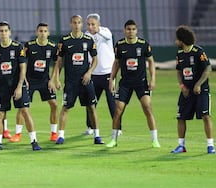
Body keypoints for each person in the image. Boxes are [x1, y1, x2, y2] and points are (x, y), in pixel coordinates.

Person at [106, 19, 160, 148]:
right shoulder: (119, 45)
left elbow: (151, 61)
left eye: (133, 29)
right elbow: (116, 63)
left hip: (141, 82)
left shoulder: (143, 44)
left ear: (136, 30)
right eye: (128, 29)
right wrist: (111, 79)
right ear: (124, 30)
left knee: (147, 108)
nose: (131, 31)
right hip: (125, 83)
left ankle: (155, 140)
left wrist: (153, 79)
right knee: (118, 111)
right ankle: (113, 139)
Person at [0, 21, 41, 151]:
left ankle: (34, 141)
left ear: (10, 32)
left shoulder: (18, 47)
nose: (4, 33)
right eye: (1, 31)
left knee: (25, 111)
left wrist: (19, 87)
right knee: (0, 114)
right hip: (2, 86)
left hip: (18, 85)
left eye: (6, 31)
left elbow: (23, 68)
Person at [51, 15, 99, 144]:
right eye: (74, 23)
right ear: (70, 24)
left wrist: (89, 72)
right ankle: (61, 136)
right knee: (65, 107)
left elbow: (95, 59)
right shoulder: (64, 41)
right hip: (71, 82)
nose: (76, 25)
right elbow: (59, 61)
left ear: (82, 24)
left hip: (85, 81)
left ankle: (97, 135)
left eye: (79, 23)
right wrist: (56, 78)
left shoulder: (88, 40)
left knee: (91, 107)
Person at [9, 23, 58, 143]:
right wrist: (24, 79)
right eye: (40, 31)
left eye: (45, 31)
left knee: (54, 104)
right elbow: (21, 62)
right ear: (37, 32)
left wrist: (53, 80)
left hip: (45, 81)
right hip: (29, 80)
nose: (42, 33)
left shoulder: (52, 46)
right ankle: (18, 134)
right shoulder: (29, 46)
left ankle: (54, 133)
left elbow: (57, 63)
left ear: (48, 33)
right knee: (22, 107)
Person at [171, 25, 214, 154]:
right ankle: (181, 146)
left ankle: (210, 145)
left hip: (201, 91)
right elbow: (179, 72)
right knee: (181, 117)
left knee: (205, 116)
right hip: (186, 91)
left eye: (176, 39)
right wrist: (182, 86)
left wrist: (199, 84)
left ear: (182, 40)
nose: (175, 42)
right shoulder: (179, 54)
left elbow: (208, 69)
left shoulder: (198, 52)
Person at [82, 13, 122, 141]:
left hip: (108, 73)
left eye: (93, 24)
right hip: (93, 74)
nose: (90, 27)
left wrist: (97, 31)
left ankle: (118, 128)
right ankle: (90, 127)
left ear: (98, 24)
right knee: (91, 102)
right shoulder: (86, 36)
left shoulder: (105, 32)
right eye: (88, 24)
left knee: (112, 101)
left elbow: (107, 36)